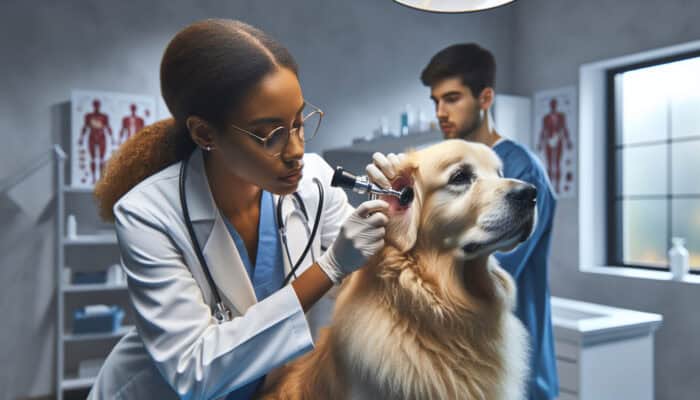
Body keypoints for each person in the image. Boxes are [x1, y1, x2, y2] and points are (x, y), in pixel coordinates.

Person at [89, 19, 396, 399]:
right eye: (271, 135)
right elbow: (195, 370)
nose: (297, 151)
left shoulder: (316, 180)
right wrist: (330, 267)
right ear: (204, 134)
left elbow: (373, 282)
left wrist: (399, 208)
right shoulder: (147, 215)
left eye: (299, 123)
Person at [420, 43, 559, 400]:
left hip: (512, 361)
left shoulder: (522, 171)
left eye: (452, 99)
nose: (441, 112)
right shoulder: (452, 167)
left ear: (485, 98)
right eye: (436, 101)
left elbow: (494, 269)